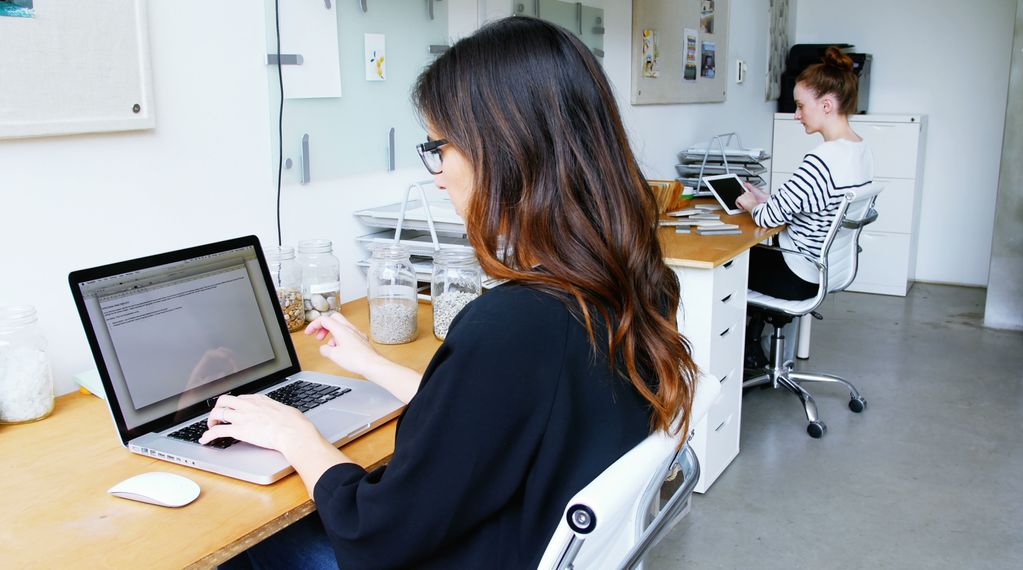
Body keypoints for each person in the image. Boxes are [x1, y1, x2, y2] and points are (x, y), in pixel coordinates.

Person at [203, 16, 698, 569]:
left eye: (441, 147)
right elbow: (489, 420)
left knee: (246, 549)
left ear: (505, 150)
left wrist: (294, 434)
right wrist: (371, 365)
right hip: (524, 537)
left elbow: (375, 534)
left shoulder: (517, 324)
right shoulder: (632, 282)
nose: (438, 174)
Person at [735, 47, 874, 369]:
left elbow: (769, 218)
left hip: (798, 273)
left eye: (800, 106)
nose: (796, 115)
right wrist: (769, 197)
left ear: (826, 105)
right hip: (824, 270)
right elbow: (819, 202)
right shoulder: (859, 151)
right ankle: (753, 348)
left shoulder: (821, 159)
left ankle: (744, 354)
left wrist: (750, 204)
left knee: (729, 265)